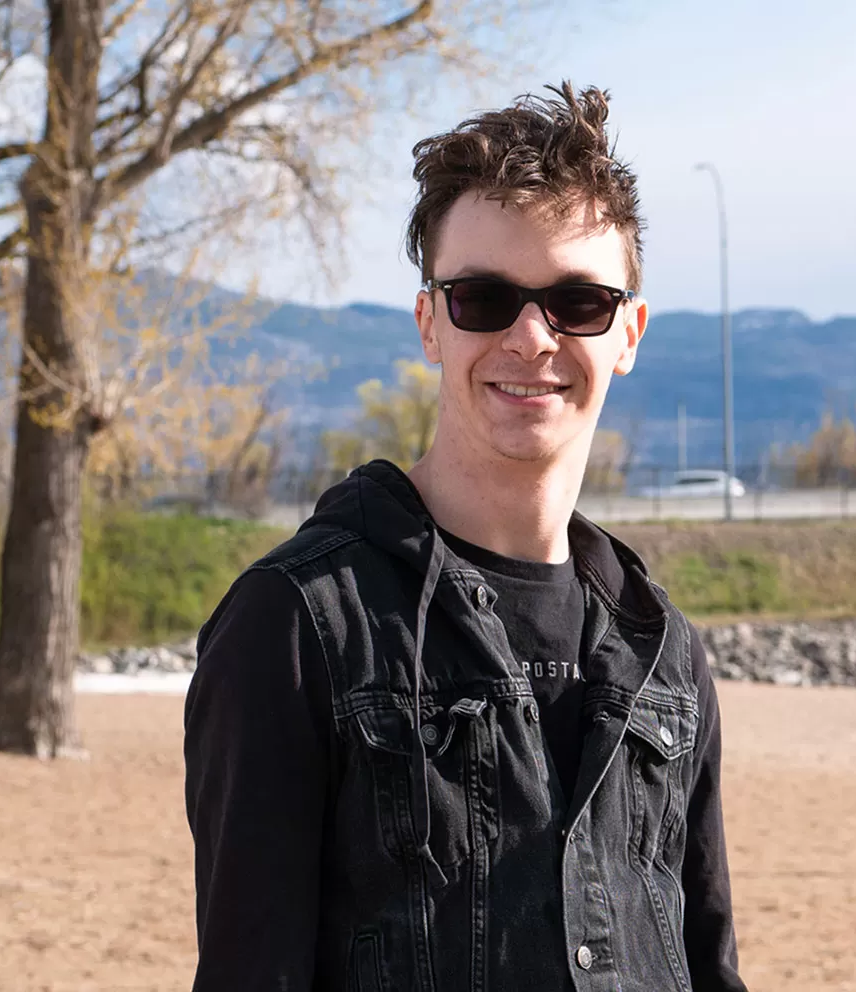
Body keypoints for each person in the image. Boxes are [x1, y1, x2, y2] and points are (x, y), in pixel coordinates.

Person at [183, 82, 747, 992]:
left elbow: (706, 961)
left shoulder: (663, 655)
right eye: (484, 297)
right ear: (429, 324)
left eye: (580, 302)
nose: (532, 337)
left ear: (629, 332)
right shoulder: (294, 629)